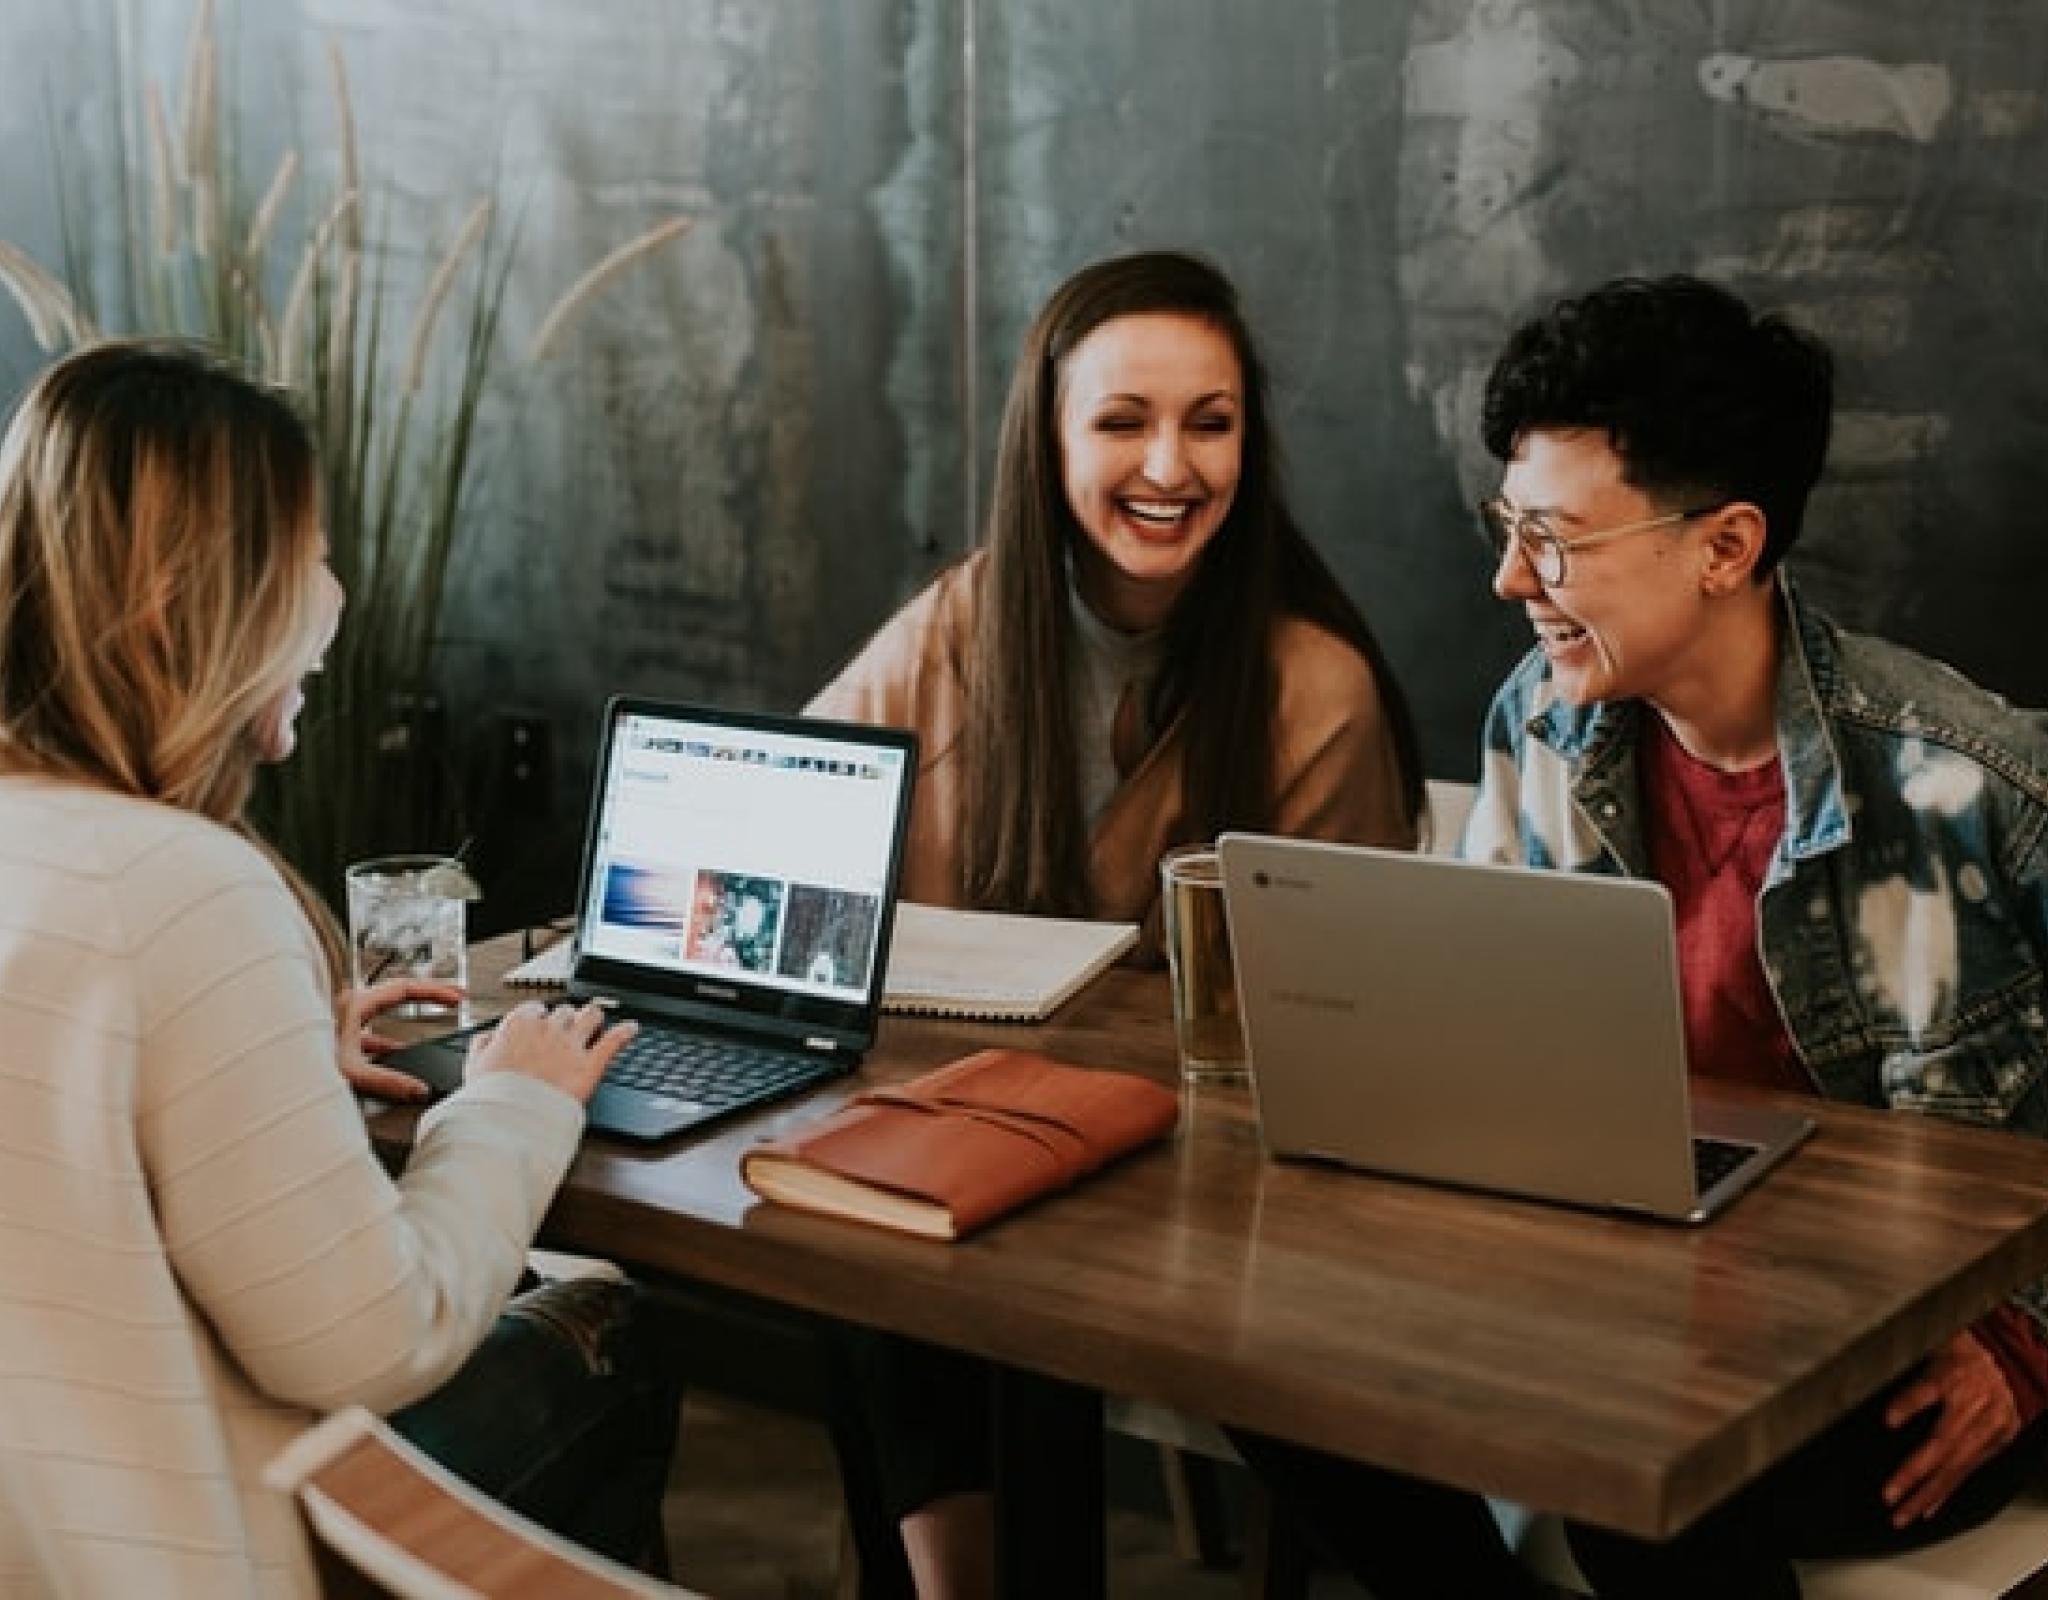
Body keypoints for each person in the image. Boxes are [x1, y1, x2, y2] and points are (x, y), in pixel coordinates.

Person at [1238, 274, 2048, 1598]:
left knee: (1639, 1463)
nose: (1510, 580)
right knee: (1266, 1363)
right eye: (1508, 527)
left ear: (1724, 548)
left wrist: (2029, 1341)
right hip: (1630, 1299)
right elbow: (1482, 1051)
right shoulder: (1542, 724)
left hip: (1899, 1350)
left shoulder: (1968, 783)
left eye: (1554, 540)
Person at [0, 341, 680, 1597]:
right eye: (307, 557)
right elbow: (371, 1339)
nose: (337, 595)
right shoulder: (181, 884)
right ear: (179, 600)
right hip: (166, 1546)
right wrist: (511, 1103)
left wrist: (282, 1068)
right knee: (612, 1330)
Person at [809, 249, 1425, 1598]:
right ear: (1049, 440)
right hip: (978, 1153)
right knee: (862, 1229)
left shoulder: (1311, 686)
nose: (1171, 465)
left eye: (1210, 422)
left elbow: (1338, 1028)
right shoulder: (969, 621)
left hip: (1209, 1195)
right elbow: (802, 813)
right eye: (1123, 421)